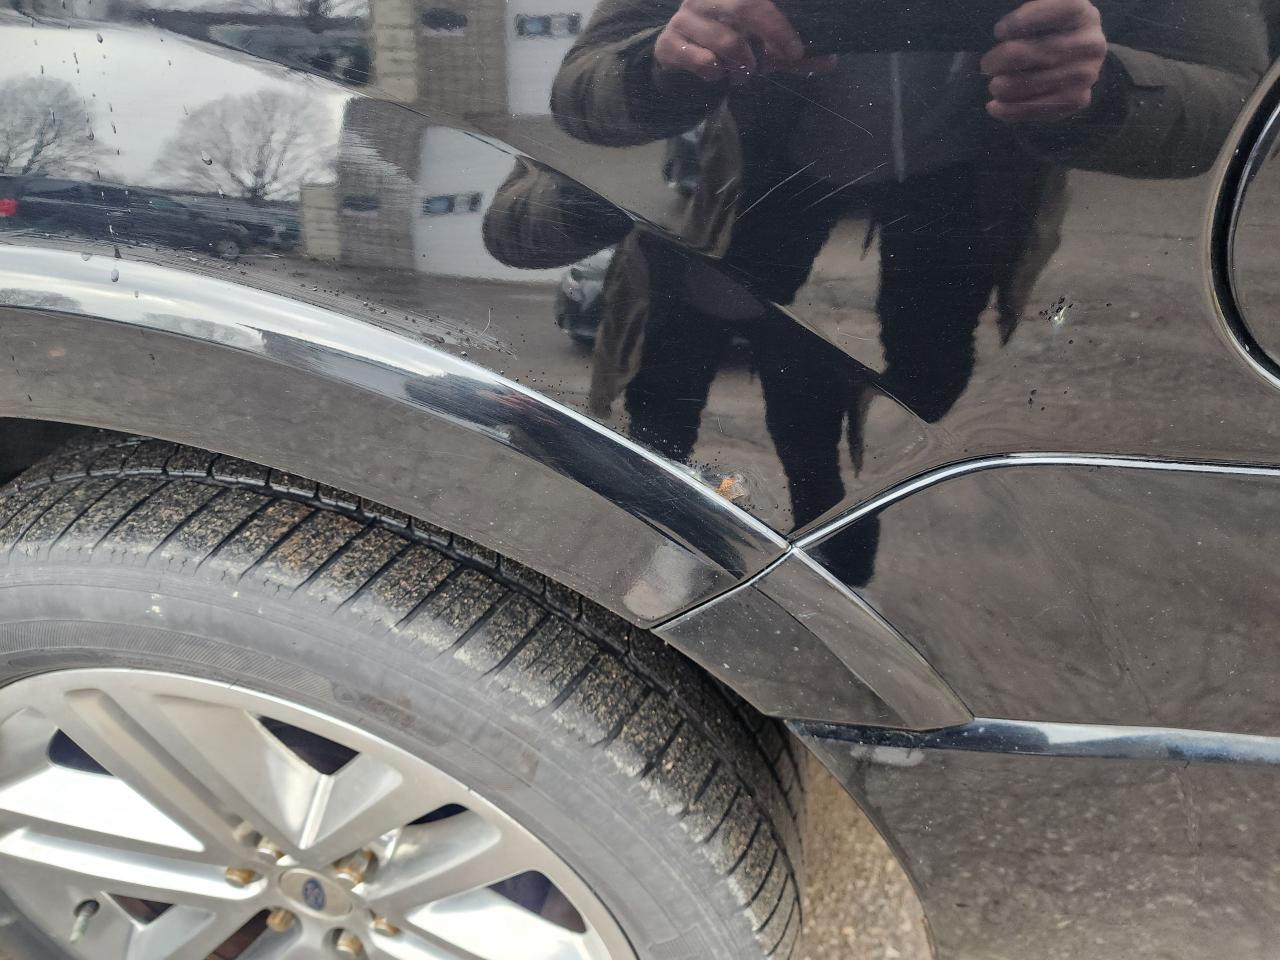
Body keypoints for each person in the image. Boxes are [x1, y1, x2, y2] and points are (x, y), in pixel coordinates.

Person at [549, 0, 1266, 534]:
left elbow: (1237, 102)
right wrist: (671, 64)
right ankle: (689, 531)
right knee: (691, 377)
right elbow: (582, 87)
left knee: (925, 385)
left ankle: (849, 545)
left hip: (965, 201)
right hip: (758, 188)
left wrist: (1106, 87)